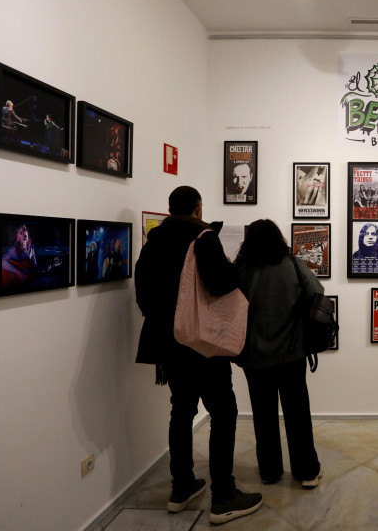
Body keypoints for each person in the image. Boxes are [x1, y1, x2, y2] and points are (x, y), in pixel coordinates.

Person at [134, 186, 262, 526]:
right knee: (224, 412)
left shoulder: (154, 240)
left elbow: (142, 292)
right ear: (197, 208)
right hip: (200, 342)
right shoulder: (203, 236)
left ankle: (182, 488)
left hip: (168, 344)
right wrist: (235, 265)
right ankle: (223, 496)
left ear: (171, 208)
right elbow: (221, 284)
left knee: (182, 410)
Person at [234, 219, 323, 488]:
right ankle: (306, 472)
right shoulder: (293, 265)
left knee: (263, 416)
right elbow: (317, 292)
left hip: (254, 356)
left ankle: (270, 472)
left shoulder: (240, 270)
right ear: (278, 238)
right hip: (291, 353)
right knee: (297, 414)